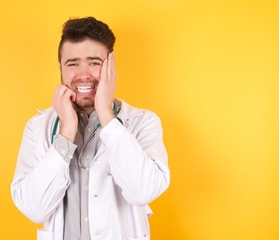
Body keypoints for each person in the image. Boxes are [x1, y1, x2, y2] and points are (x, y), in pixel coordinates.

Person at [11, 16, 170, 240]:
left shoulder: (143, 122)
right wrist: (66, 131)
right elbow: (34, 209)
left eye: (94, 63)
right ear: (60, 68)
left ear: (111, 66)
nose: (83, 74)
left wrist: (106, 113)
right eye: (73, 63)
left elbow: (142, 191)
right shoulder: (38, 128)